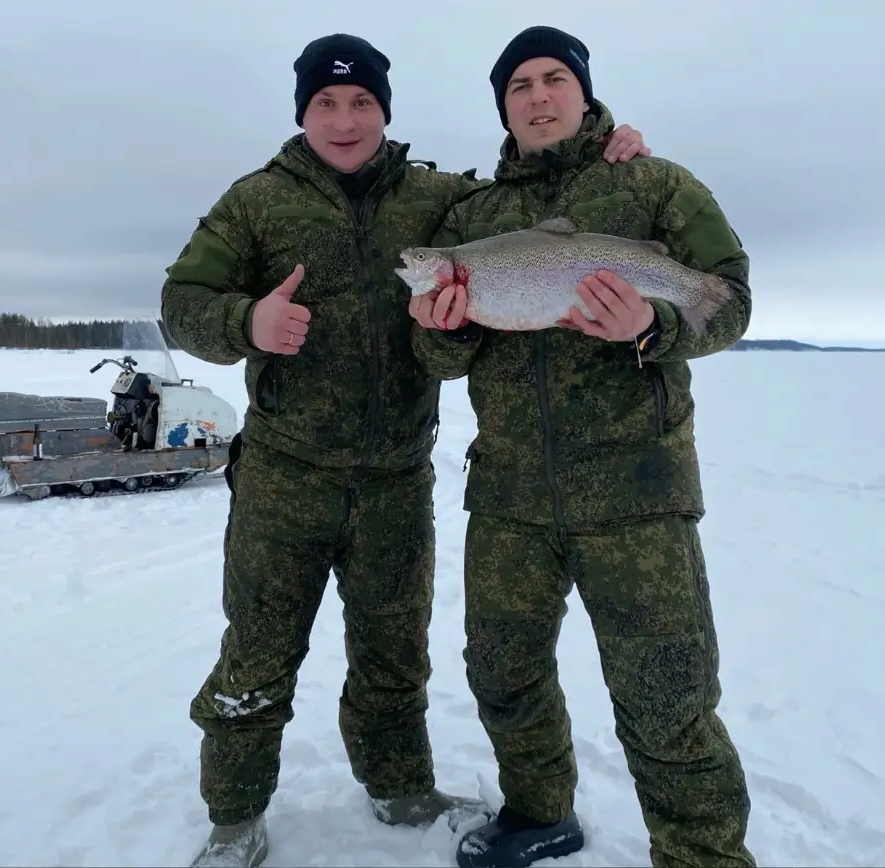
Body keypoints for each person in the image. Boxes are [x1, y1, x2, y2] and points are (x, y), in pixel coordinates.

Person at [159, 32, 651, 868]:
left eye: (362, 103)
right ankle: (235, 817)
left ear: (385, 111)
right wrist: (247, 324)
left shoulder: (435, 201)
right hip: (286, 478)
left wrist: (608, 149)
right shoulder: (257, 201)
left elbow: (529, 213)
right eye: (326, 103)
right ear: (303, 112)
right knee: (257, 654)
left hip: (396, 477)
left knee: (393, 652)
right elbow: (183, 299)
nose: (345, 120)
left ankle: (397, 786)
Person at [408, 25, 756, 868]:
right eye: (519, 84)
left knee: (666, 692)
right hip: (511, 497)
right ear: (504, 106)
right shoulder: (473, 217)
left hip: (636, 490)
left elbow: (731, 301)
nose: (537, 95)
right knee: (502, 671)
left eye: (553, 78)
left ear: (584, 91)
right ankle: (538, 815)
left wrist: (653, 323)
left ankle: (702, 856)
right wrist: (440, 329)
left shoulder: (653, 184)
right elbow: (442, 358)